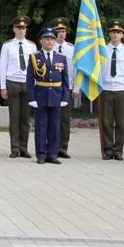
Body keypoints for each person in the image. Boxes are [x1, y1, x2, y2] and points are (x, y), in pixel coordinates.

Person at [26, 27, 70, 164]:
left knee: (55, 126)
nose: (49, 41)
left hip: (56, 96)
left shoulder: (61, 58)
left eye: (52, 39)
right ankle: (41, 154)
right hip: (41, 95)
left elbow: (65, 80)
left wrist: (64, 97)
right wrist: (32, 98)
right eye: (46, 39)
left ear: (55, 41)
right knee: (41, 126)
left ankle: (53, 154)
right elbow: (29, 79)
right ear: (41, 41)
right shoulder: (35, 57)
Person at [0, 15, 38, 158]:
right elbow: (3, 66)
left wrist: (35, 86)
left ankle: (24, 148)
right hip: (13, 82)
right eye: (19, 28)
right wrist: (3, 86)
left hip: (27, 83)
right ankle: (14, 148)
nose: (22, 31)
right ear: (14, 29)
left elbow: (35, 68)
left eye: (24, 28)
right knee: (14, 117)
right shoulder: (7, 46)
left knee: (25, 118)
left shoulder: (32, 46)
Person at [99, 19, 124, 160]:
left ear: (122, 35)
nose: (115, 34)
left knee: (120, 122)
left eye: (118, 32)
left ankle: (118, 150)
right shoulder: (102, 49)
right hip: (106, 88)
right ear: (109, 34)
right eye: (113, 32)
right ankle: (108, 150)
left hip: (121, 89)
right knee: (107, 122)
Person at [49, 17, 76, 159]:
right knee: (51, 119)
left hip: (66, 89)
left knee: (65, 120)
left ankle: (63, 148)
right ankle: (51, 147)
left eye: (63, 31)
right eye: (58, 31)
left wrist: (76, 88)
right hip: (50, 88)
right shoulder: (47, 47)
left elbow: (76, 69)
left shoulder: (72, 49)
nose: (61, 34)